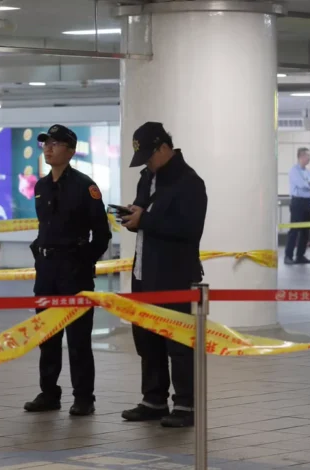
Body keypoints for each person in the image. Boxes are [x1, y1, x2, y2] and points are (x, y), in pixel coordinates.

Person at [119, 122, 207, 428]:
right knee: (147, 339)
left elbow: (189, 230)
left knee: (179, 342)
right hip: (144, 271)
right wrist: (133, 216)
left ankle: (185, 405)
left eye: (149, 156)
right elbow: (146, 216)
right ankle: (153, 400)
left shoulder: (189, 182)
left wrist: (145, 220)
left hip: (175, 275)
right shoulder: (147, 178)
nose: (147, 163)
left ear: (165, 148)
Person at [23, 125, 111, 415]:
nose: (48, 148)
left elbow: (102, 235)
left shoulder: (86, 187)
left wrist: (83, 262)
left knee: (78, 339)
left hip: (74, 271)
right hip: (46, 271)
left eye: (56, 144)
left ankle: (84, 397)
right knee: (47, 335)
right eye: (46, 143)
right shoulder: (41, 186)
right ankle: (49, 393)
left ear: (71, 151)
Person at [285, 147, 310, 265]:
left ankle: (300, 255)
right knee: (294, 230)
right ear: (301, 156)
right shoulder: (294, 171)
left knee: (305, 230)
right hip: (297, 202)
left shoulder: (307, 171)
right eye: (308, 156)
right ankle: (288, 256)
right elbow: (302, 185)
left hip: (306, 202)